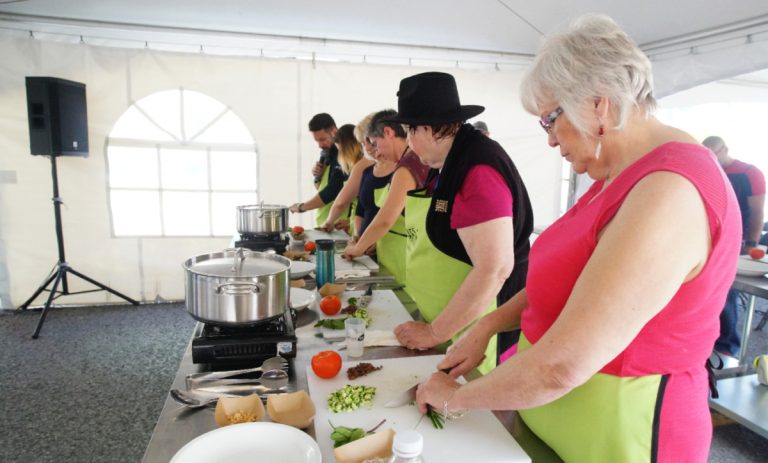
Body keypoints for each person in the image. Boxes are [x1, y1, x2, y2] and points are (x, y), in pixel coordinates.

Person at [415, 15, 740, 462]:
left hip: (623, 438)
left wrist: (453, 397)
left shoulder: (671, 189)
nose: (549, 141)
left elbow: (562, 365)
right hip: (557, 428)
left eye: (550, 120)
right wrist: (488, 325)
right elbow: (561, 282)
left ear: (597, 104)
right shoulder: (618, 174)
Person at [387, 72, 533, 374]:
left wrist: (434, 332)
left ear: (430, 128)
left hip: (478, 331)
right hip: (449, 324)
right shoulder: (452, 161)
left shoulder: (477, 168)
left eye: (410, 133)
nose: (410, 146)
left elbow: (495, 269)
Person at [341, 109, 430, 285]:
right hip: (394, 253)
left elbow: (385, 220)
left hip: (405, 257)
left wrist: (358, 247)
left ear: (388, 133)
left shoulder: (408, 166)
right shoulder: (410, 162)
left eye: (375, 144)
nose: (378, 153)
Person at [703, 135, 766, 357]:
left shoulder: (750, 173)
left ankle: (727, 345)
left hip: (738, 241)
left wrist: (751, 243)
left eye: (715, 154)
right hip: (713, 238)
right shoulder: (709, 171)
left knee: (727, 292)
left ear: (725, 149)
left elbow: (757, 211)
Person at [320, 114, 396, 242]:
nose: (366, 148)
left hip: (384, 244)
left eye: (370, 142)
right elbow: (362, 210)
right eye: (362, 143)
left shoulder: (364, 165)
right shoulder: (368, 170)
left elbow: (341, 202)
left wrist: (327, 223)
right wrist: (356, 234)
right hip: (366, 239)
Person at [289, 113, 348, 227]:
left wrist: (302, 207)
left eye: (322, 139)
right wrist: (318, 177)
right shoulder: (327, 154)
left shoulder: (344, 155)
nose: (320, 145)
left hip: (340, 226)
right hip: (325, 224)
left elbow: (332, 191)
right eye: (317, 141)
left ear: (334, 131)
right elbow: (320, 188)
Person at [315, 124, 365, 234]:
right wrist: (349, 222)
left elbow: (341, 202)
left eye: (341, 150)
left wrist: (328, 223)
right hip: (357, 226)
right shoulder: (360, 165)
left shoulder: (361, 166)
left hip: (363, 231)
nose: (340, 155)